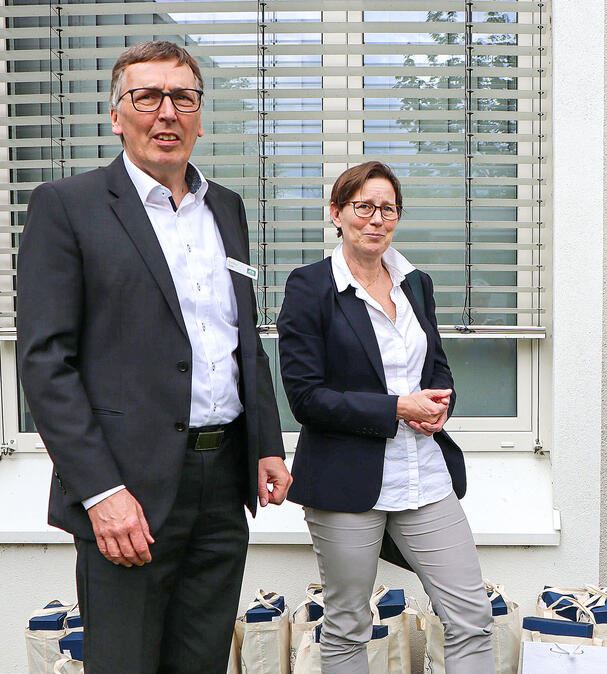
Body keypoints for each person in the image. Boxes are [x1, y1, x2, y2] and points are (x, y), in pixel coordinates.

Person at [16, 41, 292, 673]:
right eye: (148, 97)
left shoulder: (226, 207)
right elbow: (45, 363)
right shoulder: (68, 207)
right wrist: (100, 491)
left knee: (201, 663)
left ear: (199, 115)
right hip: (127, 490)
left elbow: (240, 335)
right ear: (117, 115)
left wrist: (266, 442)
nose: (166, 112)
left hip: (222, 483)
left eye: (183, 98)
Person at [276, 161, 493, 672]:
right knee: (349, 624)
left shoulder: (415, 283)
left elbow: (436, 368)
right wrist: (397, 407)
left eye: (388, 209)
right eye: (364, 207)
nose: (377, 219)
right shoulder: (311, 287)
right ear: (337, 213)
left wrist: (439, 408)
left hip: (424, 474)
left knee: (471, 617)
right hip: (346, 479)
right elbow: (305, 397)